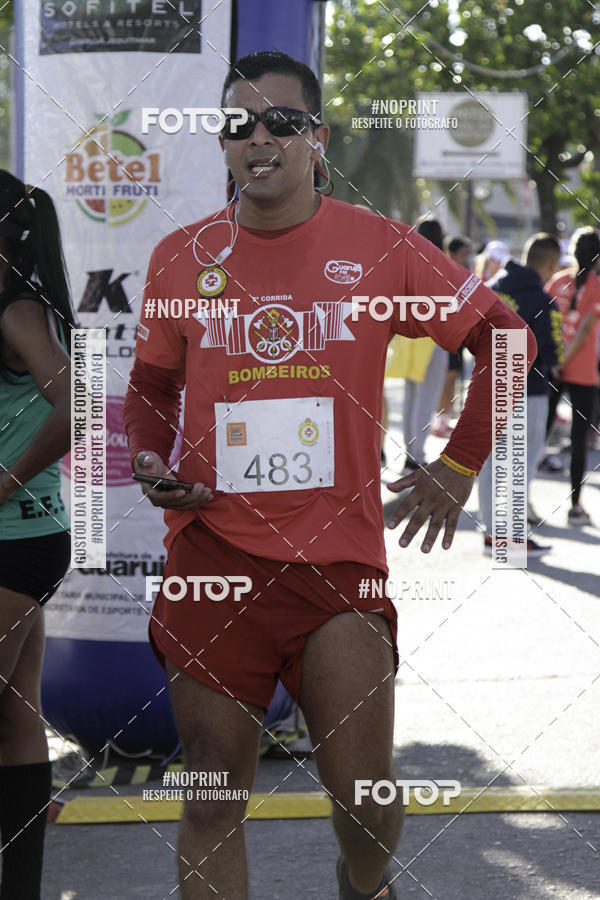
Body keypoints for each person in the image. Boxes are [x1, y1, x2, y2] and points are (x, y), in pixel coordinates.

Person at [123, 51, 535, 900]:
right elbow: (150, 389)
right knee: (209, 798)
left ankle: (363, 882)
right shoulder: (180, 258)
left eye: (283, 121)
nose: (261, 138)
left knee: (363, 794)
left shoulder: (379, 246)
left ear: (318, 137)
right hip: (213, 557)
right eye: (241, 124)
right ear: (224, 143)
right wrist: (151, 459)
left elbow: (504, 338)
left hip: (337, 565)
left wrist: (459, 465)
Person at [0, 172, 74, 899]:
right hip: (28, 538)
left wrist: (4, 481)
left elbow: (76, 408)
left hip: (15, 540)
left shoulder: (17, 311)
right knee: (17, 712)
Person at [477, 233, 563, 556]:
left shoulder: (491, 288)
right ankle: (512, 536)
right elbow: (554, 353)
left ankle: (491, 533)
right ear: (551, 264)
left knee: (489, 460)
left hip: (490, 385)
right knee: (521, 463)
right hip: (530, 389)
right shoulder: (543, 300)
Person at [544, 227, 600, 525]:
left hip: (552, 367)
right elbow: (586, 330)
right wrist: (566, 360)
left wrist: (556, 360)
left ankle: (521, 505)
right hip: (582, 372)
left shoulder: (557, 281)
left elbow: (548, 322)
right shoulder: (596, 285)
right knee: (578, 441)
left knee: (538, 433)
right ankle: (575, 507)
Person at [401, 217, 449, 469]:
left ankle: (409, 453)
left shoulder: (408, 259)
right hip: (432, 338)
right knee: (426, 400)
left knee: (411, 399)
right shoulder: (440, 263)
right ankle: (416, 455)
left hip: (407, 338)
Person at [432, 235, 473, 438]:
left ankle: (446, 418)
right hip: (446, 333)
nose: (466, 258)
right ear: (453, 253)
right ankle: (440, 420)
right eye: (463, 254)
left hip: (459, 333)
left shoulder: (463, 273)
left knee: (453, 376)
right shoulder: (445, 272)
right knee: (447, 377)